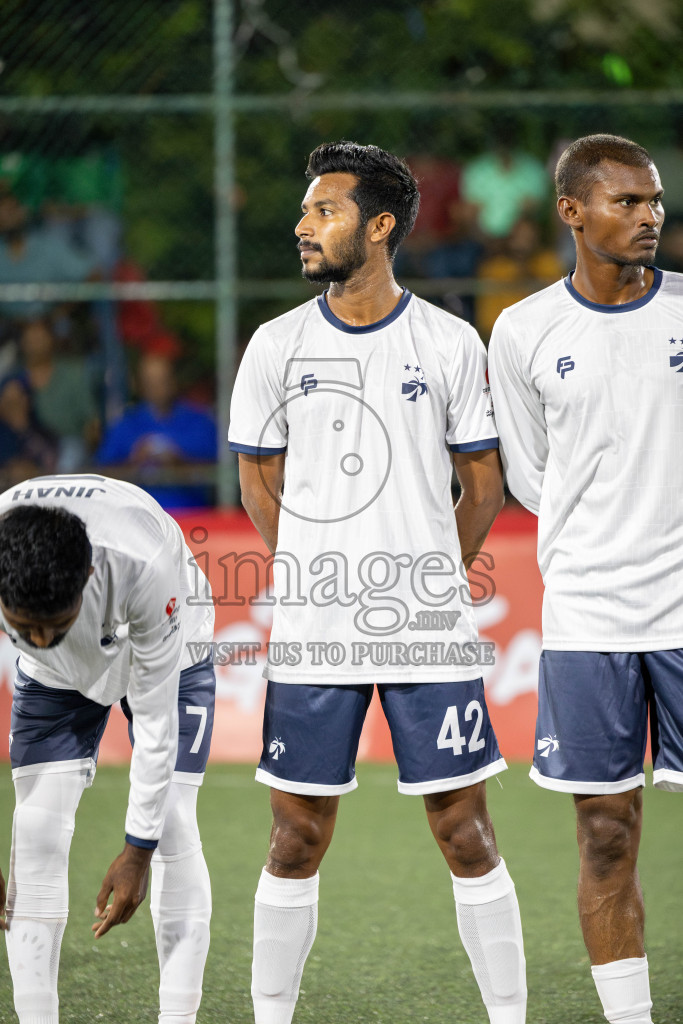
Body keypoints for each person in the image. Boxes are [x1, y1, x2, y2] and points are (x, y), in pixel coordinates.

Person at [229, 141, 527, 1024]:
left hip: (426, 627)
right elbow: (258, 482)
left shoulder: (445, 339)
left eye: (323, 210)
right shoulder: (275, 343)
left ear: (380, 225)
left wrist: (433, 570)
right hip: (317, 629)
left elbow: (482, 483)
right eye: (305, 210)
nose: (303, 225)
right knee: (294, 838)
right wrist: (315, 571)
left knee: (465, 835)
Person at [488, 133, 681, 1024]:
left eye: (652, 202)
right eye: (627, 203)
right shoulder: (525, 330)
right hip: (588, 616)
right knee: (606, 833)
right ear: (571, 211)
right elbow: (530, 476)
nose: (649, 217)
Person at [0, 474, 215, 1024]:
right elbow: (46, 643)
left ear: (89, 575)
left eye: (55, 624)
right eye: (25, 629)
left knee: (171, 822)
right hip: (53, 682)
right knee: (36, 829)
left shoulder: (143, 563)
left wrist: (136, 850)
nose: (42, 640)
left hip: (169, 638)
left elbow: (156, 720)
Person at [96, 352, 217, 510]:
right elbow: (102, 473)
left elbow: (222, 471)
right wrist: (134, 461)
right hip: (138, 516)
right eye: (150, 382)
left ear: (173, 381)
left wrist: (179, 461)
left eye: (162, 381)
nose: (157, 388)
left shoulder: (200, 422)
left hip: (190, 514)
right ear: (140, 385)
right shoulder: (125, 424)